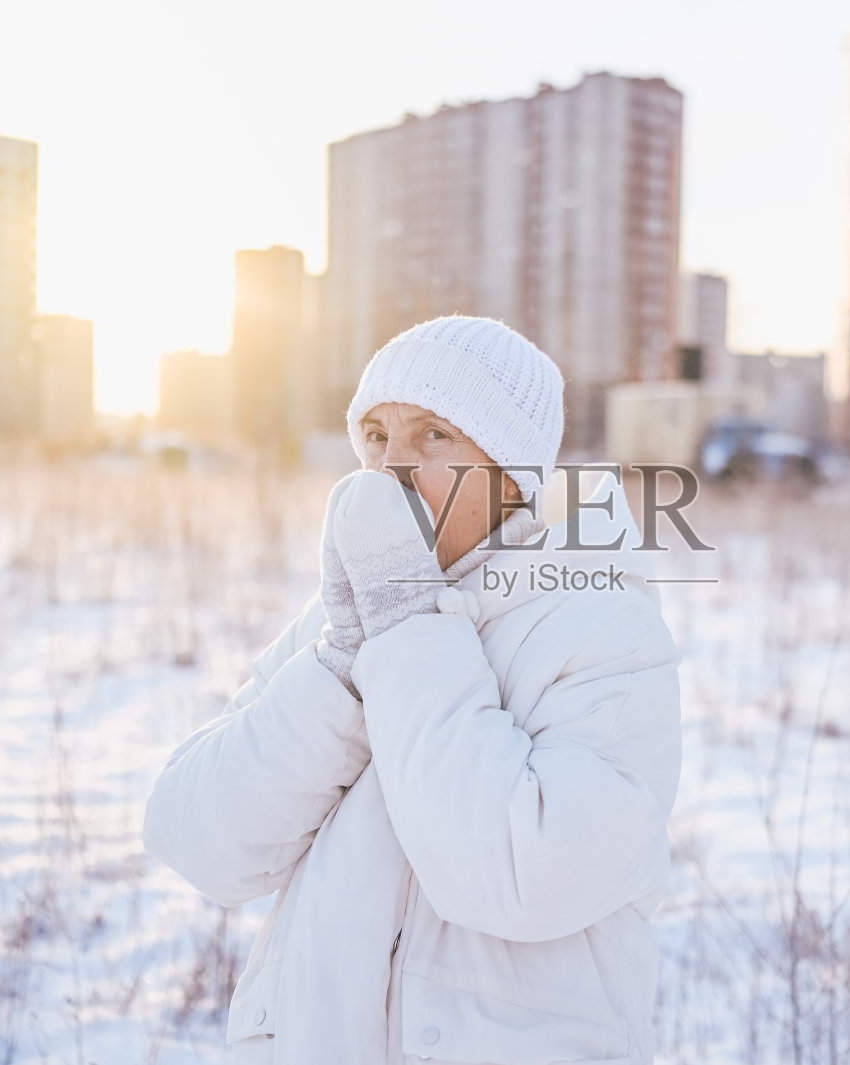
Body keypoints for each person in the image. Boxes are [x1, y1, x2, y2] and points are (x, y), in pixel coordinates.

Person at [143, 315, 683, 1065]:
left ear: (512, 470)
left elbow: (521, 876)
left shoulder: (606, 630)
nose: (390, 468)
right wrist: (340, 673)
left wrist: (407, 631)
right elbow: (197, 839)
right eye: (374, 435)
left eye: (433, 435)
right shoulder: (340, 625)